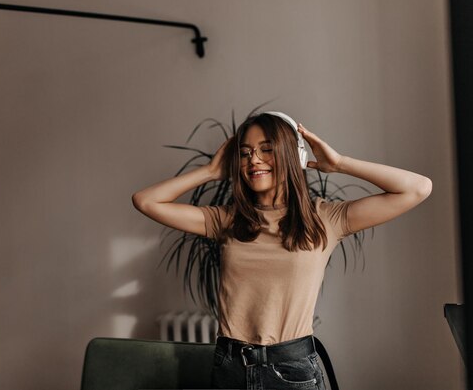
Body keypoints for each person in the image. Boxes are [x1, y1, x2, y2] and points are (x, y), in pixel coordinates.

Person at [131, 111, 432, 390]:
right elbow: (145, 201)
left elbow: (417, 188)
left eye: (266, 149)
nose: (254, 160)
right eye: (246, 152)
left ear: (293, 155)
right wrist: (210, 171)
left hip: (292, 370)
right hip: (230, 366)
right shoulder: (226, 220)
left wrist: (339, 163)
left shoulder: (326, 219)